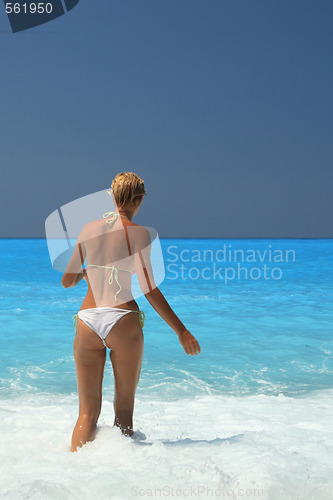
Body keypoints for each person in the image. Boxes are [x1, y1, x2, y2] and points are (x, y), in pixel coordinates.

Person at [61, 172, 201, 452]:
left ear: (112, 197)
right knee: (123, 414)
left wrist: (86, 273)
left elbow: (67, 280)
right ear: (139, 199)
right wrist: (181, 330)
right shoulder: (140, 234)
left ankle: (73, 479)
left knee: (87, 415)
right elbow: (149, 289)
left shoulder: (88, 229)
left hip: (87, 320)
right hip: (122, 319)